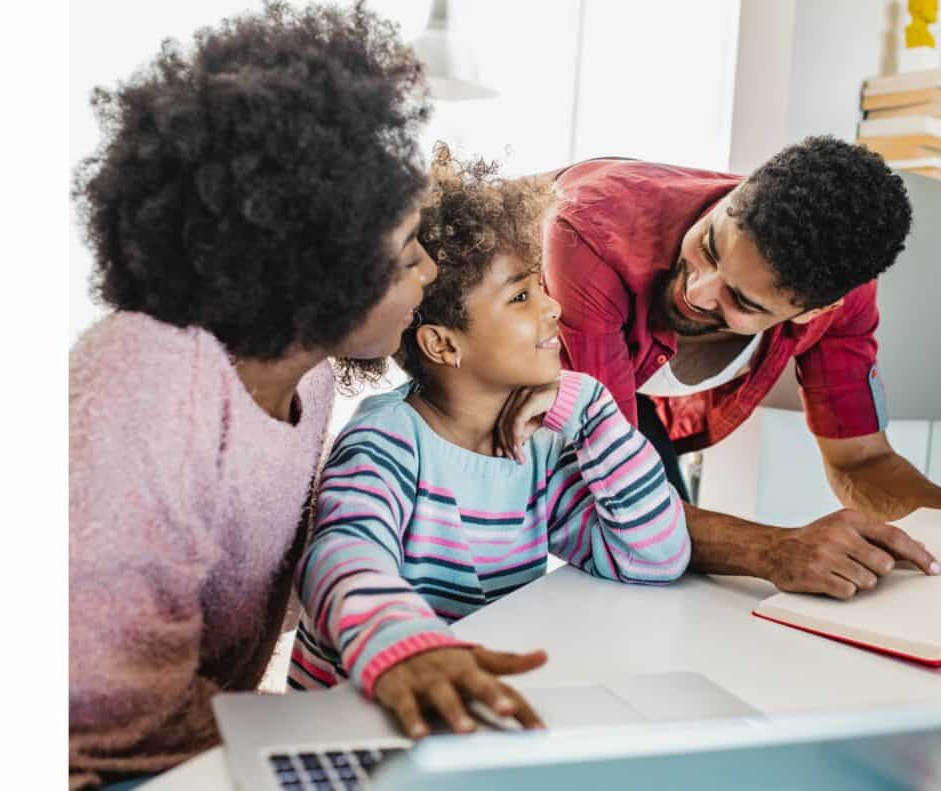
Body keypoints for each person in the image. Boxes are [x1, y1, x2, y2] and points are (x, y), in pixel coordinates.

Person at [68, 5, 437, 789]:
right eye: (408, 254)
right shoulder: (147, 376)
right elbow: (105, 705)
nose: (430, 272)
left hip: (199, 754)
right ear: (317, 269)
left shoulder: (308, 381)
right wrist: (336, 731)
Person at [287, 149, 691, 738]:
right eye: (522, 297)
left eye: (541, 288)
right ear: (443, 345)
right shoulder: (388, 443)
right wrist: (405, 646)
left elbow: (653, 558)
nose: (554, 307)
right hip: (355, 723)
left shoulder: (541, 443)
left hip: (463, 718)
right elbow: (341, 555)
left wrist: (593, 408)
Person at [532, 137, 940, 601]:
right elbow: (617, 492)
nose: (699, 292)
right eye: (709, 246)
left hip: (611, 408)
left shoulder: (841, 299)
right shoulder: (592, 233)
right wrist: (773, 549)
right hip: (462, 370)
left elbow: (862, 459)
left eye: (742, 300)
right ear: (736, 193)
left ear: (813, 311)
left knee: (668, 583)